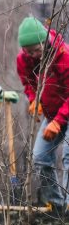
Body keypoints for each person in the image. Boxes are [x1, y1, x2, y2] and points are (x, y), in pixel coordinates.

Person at [15, 16, 69, 211]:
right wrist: (34, 99)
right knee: (40, 156)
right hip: (53, 114)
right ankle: (56, 205)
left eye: (36, 50)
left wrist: (59, 121)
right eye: (28, 51)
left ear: (45, 42)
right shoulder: (24, 59)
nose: (33, 55)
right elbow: (28, 82)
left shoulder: (63, 55)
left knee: (68, 156)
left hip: (63, 113)